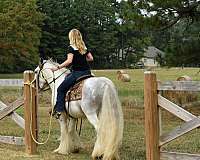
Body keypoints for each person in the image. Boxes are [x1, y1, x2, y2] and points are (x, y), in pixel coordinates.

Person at [50, 29, 93, 118]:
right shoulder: (84, 47)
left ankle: (59, 110)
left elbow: (69, 61)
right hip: (87, 72)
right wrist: (82, 59)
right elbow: (91, 58)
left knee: (60, 89)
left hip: (77, 73)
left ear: (71, 37)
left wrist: (57, 68)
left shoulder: (71, 47)